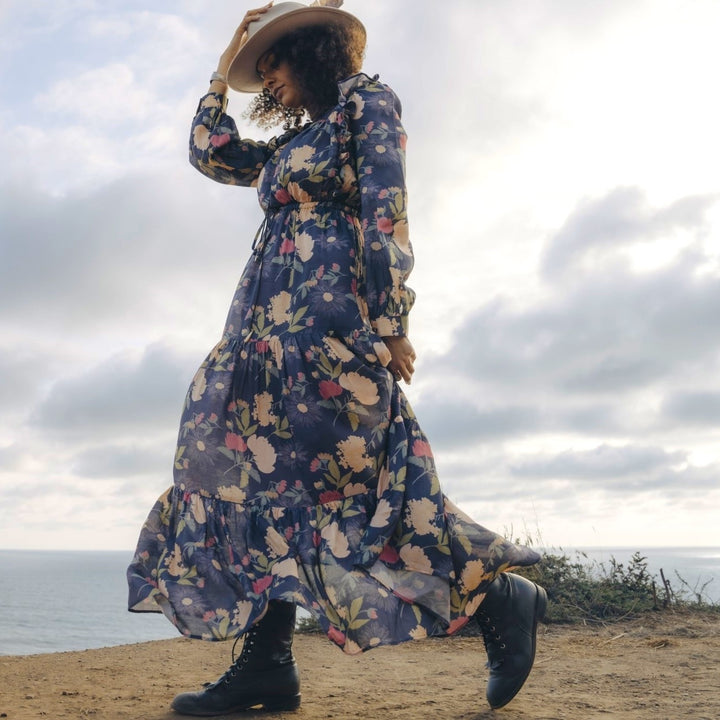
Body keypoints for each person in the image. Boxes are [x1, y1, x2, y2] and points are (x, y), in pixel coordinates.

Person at [127, 1, 546, 715]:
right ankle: (267, 666)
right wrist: (222, 65)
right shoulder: (297, 144)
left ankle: (500, 597)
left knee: (356, 486)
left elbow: (387, 206)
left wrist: (391, 320)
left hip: (329, 326)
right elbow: (208, 150)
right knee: (245, 480)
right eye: (259, 71)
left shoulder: (368, 106)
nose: (270, 80)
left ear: (314, 50)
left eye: (275, 63)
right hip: (259, 332)